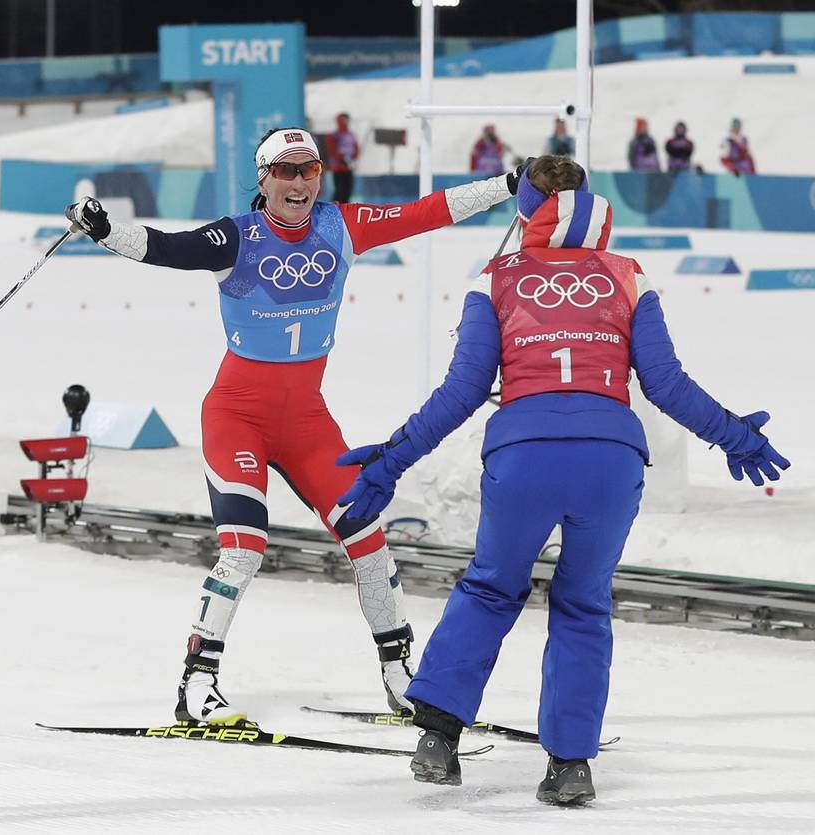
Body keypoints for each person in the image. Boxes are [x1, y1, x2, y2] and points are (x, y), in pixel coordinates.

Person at [336, 155, 789, 804]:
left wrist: (391, 460)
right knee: (583, 604)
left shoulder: (495, 278)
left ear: (524, 212)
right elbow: (664, 384)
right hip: (611, 460)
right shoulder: (629, 277)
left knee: (491, 587)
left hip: (524, 454)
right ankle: (571, 765)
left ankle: (438, 734)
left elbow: (462, 392)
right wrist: (734, 435)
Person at [65, 128, 522, 723]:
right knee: (244, 552)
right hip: (238, 416)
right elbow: (166, 246)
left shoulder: (343, 225)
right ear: (263, 179)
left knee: (371, 542)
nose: (300, 183)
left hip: (306, 419)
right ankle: (197, 685)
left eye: (309, 171)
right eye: (286, 172)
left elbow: (426, 212)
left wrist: (507, 186)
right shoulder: (236, 236)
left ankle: (399, 674)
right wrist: (103, 230)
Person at [325, 113, 359, 203]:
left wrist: (353, 158)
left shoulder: (351, 135)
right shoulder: (334, 135)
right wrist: (342, 159)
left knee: (347, 191)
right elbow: (332, 150)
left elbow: (356, 148)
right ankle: (333, 211)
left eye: (347, 120)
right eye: (344, 120)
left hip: (348, 167)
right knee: (339, 191)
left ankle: (345, 210)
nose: (346, 122)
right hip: (338, 168)